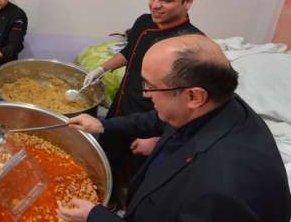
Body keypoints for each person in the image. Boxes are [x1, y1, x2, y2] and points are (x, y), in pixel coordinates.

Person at [58, 35, 291, 222]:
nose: (145, 95)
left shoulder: (221, 189)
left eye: (150, 86)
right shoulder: (214, 104)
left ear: (193, 96)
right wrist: (103, 125)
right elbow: (161, 117)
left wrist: (95, 216)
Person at [84, 0, 203, 203]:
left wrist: (160, 141)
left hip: (153, 123)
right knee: (107, 161)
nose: (155, 5)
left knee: (136, 180)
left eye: (166, 0)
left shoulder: (192, 45)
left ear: (188, 2)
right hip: (121, 107)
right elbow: (130, 53)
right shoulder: (143, 22)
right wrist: (102, 69)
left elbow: (192, 109)